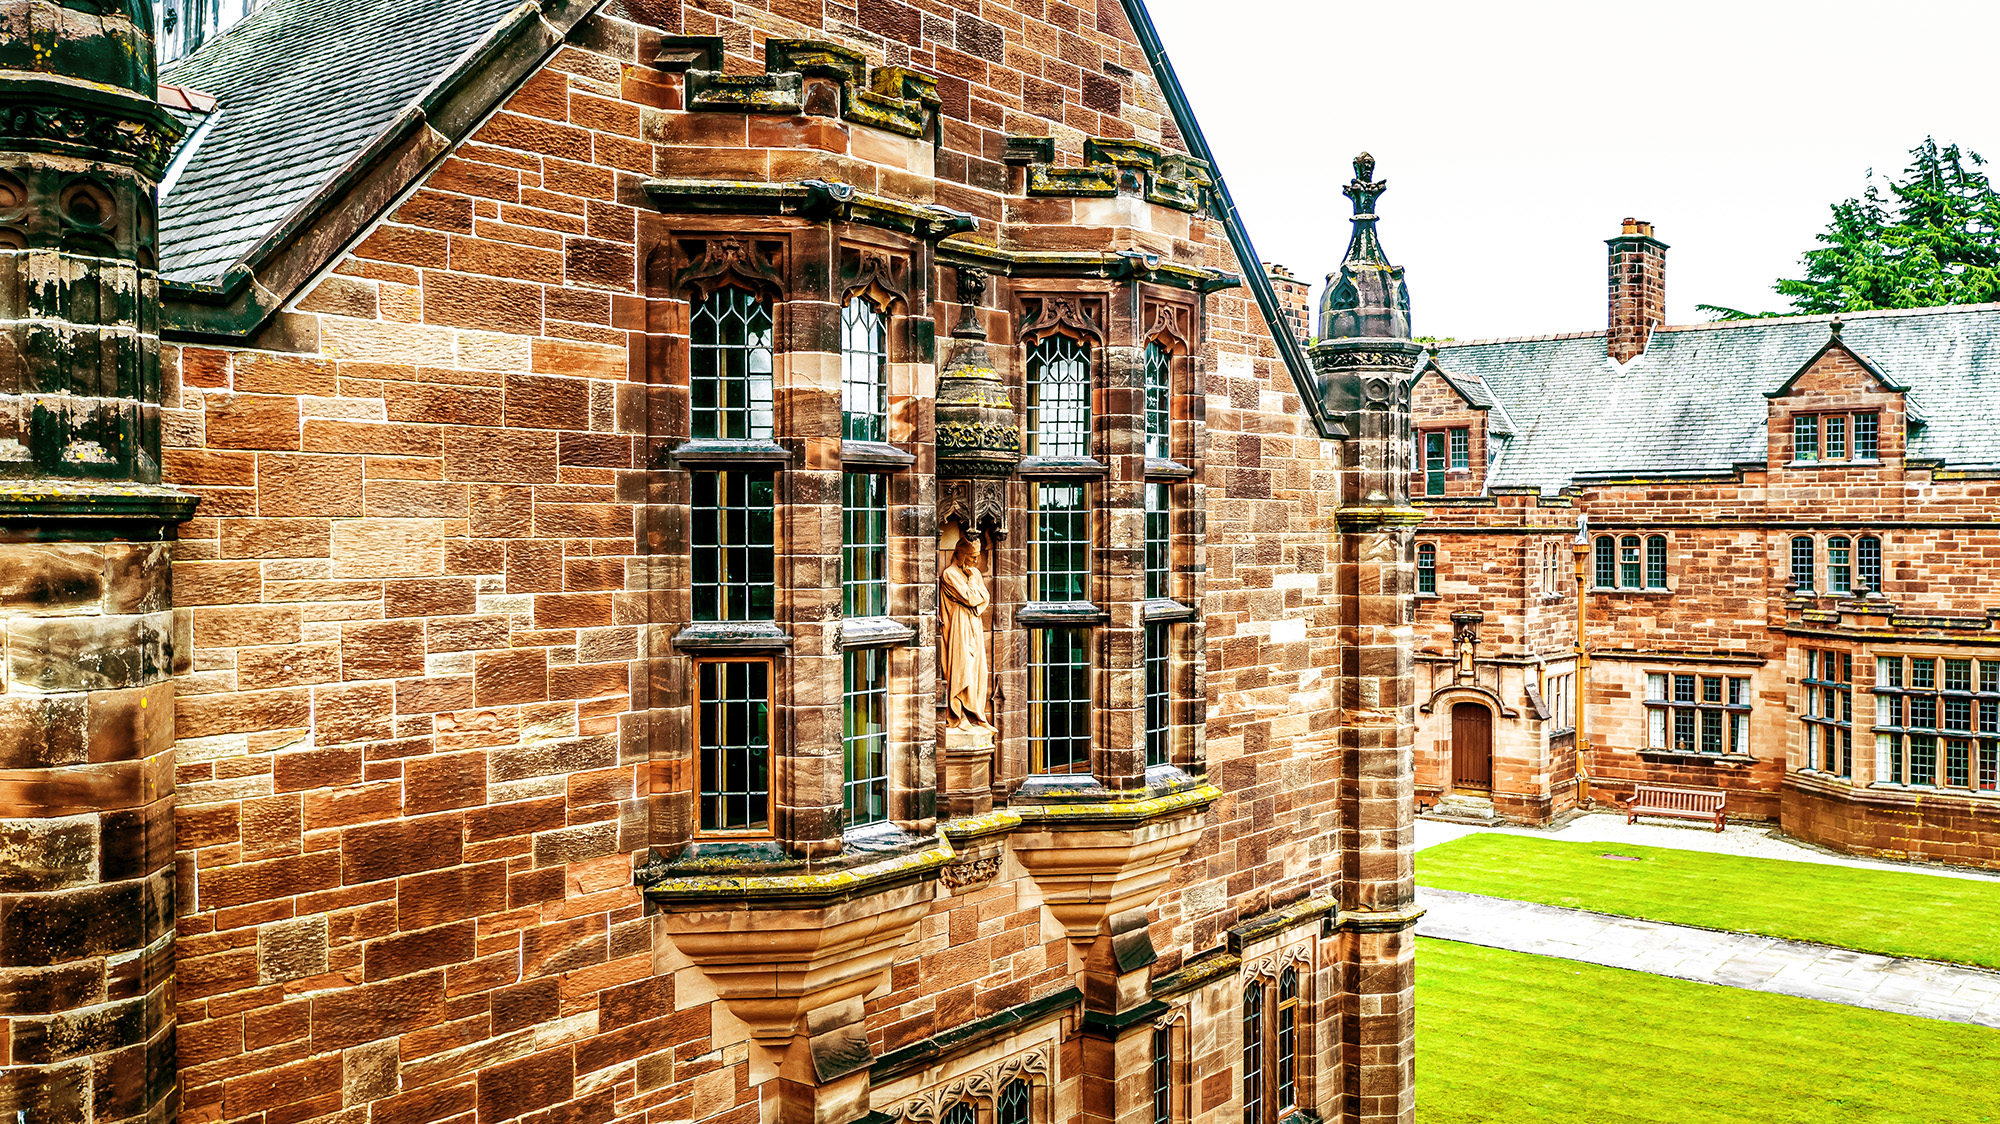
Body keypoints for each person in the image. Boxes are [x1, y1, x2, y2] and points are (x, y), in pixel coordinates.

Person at [940, 533, 991, 729]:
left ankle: (977, 714)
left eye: (977, 556)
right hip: (959, 626)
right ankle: (959, 714)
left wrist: (973, 585)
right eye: (972, 557)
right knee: (963, 669)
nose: (976, 561)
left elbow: (984, 598)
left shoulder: (975, 573)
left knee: (979, 669)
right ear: (961, 555)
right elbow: (971, 598)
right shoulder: (950, 574)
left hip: (975, 623)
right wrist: (971, 583)